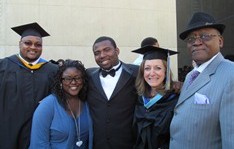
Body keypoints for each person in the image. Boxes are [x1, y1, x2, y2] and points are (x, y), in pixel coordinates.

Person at [170, 12, 234, 149]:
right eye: (191, 39)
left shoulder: (231, 75)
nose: (197, 42)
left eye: (205, 36)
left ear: (220, 41)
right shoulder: (190, 76)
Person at [0, 22, 58, 149]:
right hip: (7, 132)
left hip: (40, 133)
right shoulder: (3, 66)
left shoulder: (53, 70)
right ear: (19, 44)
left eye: (38, 44)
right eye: (28, 43)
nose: (33, 47)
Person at [86, 36, 139, 149]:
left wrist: (176, 85)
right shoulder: (89, 76)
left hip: (129, 144)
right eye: (97, 53)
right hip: (98, 145)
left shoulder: (136, 72)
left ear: (117, 51)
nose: (102, 55)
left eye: (107, 50)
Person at [29, 59, 93, 149]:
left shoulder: (87, 104)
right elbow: (39, 144)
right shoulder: (47, 106)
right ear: (60, 81)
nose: (73, 82)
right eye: (68, 79)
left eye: (78, 78)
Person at [132, 45, 179, 149]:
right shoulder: (139, 97)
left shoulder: (175, 100)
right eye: (147, 68)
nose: (152, 73)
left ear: (166, 72)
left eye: (158, 68)